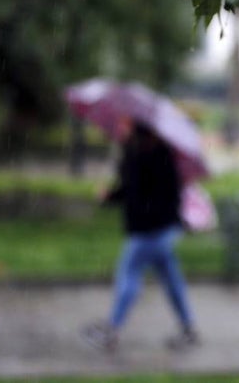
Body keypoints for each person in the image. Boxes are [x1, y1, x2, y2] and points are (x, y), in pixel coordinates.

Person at [81, 116, 199, 353]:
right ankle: (188, 329)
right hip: (163, 231)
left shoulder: (147, 156)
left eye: (125, 125)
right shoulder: (145, 153)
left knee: (129, 276)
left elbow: (141, 194)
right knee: (171, 280)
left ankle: (111, 331)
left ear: (138, 129)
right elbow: (130, 190)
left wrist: (119, 194)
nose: (120, 128)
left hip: (150, 232)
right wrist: (111, 196)